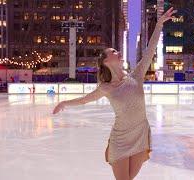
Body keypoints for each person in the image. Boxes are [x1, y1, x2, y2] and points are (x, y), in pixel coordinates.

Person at [53, 7, 176, 180]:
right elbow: (85, 100)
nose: (118, 53)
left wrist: (159, 25)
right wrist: (64, 103)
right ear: (105, 61)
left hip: (140, 135)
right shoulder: (106, 87)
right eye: (113, 52)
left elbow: (150, 50)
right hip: (120, 139)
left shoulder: (136, 75)